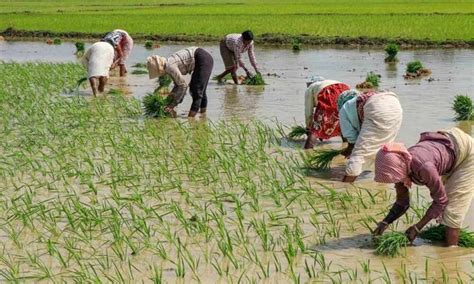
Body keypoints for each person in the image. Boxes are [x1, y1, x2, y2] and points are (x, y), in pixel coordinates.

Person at [372, 128, 473, 246]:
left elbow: (441, 201)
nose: (396, 181)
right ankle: (441, 240)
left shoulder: (424, 168)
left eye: (395, 178)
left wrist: (417, 227)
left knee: (452, 212)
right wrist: (386, 222)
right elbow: (402, 202)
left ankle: (451, 255)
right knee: (445, 210)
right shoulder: (401, 165)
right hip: (450, 143)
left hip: (467, 153)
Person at [338, 91, 403, 182]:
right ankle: (383, 184)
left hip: (377, 106)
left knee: (359, 154)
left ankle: (344, 187)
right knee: (384, 148)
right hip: (395, 104)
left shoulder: (343, 109)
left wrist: (348, 150)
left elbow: (351, 139)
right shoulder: (357, 102)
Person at [147, 47, 214, 117]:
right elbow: (177, 85)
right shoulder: (168, 65)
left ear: (159, 70)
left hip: (203, 59)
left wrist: (172, 105)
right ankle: (202, 115)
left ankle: (190, 118)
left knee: (197, 90)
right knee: (197, 89)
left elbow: (183, 86)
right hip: (202, 58)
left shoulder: (169, 67)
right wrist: (171, 98)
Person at [303, 76, 351, 149]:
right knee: (342, 122)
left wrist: (308, 127)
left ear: (311, 83)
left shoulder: (310, 88)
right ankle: (348, 147)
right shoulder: (328, 82)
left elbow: (308, 111)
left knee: (316, 128)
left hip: (329, 92)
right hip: (345, 90)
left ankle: (307, 151)